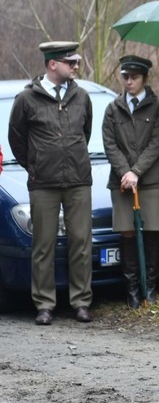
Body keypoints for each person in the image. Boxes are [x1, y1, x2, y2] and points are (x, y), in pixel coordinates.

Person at [8, 41, 94, 325]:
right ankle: (44, 304)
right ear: (52, 64)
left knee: (80, 242)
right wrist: (33, 165)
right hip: (43, 182)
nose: (76, 67)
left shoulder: (81, 96)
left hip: (78, 180)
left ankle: (81, 302)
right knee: (43, 244)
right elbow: (16, 138)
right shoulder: (27, 99)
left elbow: (86, 131)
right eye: (71, 62)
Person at [102, 55, 159, 309]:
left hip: (152, 180)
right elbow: (110, 144)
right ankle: (131, 291)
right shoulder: (113, 108)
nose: (129, 82)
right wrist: (125, 172)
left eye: (134, 77)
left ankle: (149, 287)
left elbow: (156, 144)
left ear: (144, 78)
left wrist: (137, 171)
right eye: (125, 77)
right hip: (121, 180)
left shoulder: (158, 108)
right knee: (127, 232)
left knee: (152, 231)